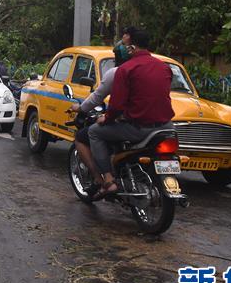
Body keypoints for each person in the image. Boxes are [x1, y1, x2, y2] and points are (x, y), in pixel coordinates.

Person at [87, 27, 174, 200]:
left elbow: (116, 105)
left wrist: (106, 118)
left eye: (126, 42)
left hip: (139, 128)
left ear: (132, 47)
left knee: (94, 132)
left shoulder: (126, 69)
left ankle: (109, 180)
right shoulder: (165, 68)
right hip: (166, 127)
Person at [69, 31, 134, 196]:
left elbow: (97, 98)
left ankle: (104, 178)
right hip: (157, 124)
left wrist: (81, 108)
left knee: (89, 134)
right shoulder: (149, 70)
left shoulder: (115, 73)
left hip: (130, 123)